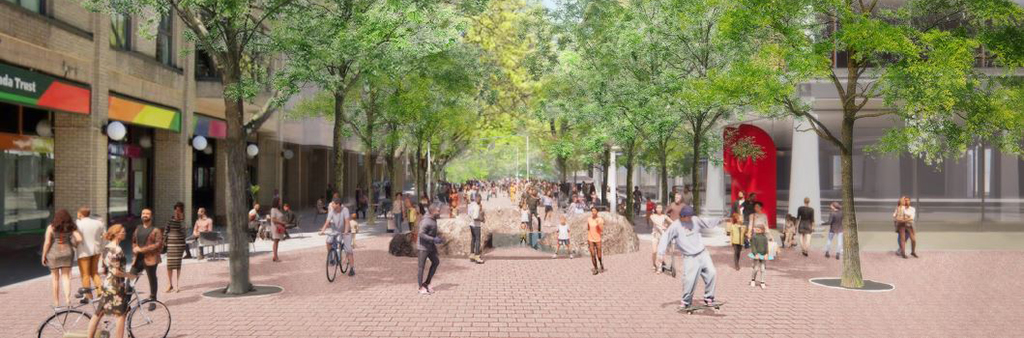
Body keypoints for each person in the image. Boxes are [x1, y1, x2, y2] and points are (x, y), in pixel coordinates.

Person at [657, 206, 726, 309]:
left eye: (691, 215)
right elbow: (665, 237)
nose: (690, 218)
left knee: (712, 273)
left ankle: (709, 298)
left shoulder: (695, 220)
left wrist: (720, 218)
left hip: (703, 253)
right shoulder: (675, 226)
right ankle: (686, 302)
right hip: (690, 257)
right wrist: (661, 253)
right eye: (688, 216)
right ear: (682, 216)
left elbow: (708, 222)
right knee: (689, 280)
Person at [86, 224, 133, 338]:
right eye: (123, 231)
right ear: (117, 234)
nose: (125, 233)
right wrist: (129, 275)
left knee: (99, 312)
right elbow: (116, 272)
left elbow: (104, 269)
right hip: (116, 286)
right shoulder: (116, 249)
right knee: (121, 314)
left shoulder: (106, 248)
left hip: (108, 284)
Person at [42, 209, 82, 307]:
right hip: (68, 252)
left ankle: (56, 303)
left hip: (54, 254)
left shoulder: (51, 227)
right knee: (66, 278)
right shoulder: (71, 227)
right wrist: (74, 244)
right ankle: (68, 300)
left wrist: (44, 255)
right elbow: (79, 238)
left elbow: (47, 242)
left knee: (55, 279)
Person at [130, 208, 163, 304]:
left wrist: (142, 249)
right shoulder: (138, 228)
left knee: (152, 279)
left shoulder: (156, 230)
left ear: (151, 216)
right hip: (137, 259)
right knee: (130, 281)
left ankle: (153, 300)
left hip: (150, 259)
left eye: (147, 214)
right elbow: (134, 241)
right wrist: (134, 248)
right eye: (143, 213)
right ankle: (126, 302)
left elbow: (158, 245)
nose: (145, 215)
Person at [76, 207, 105, 301]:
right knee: (95, 272)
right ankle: (100, 293)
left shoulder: (78, 224)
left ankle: (87, 296)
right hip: (96, 250)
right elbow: (104, 235)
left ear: (80, 213)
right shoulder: (98, 223)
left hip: (83, 251)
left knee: (85, 274)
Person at [417, 204, 444, 294]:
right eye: (438, 211)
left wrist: (437, 238)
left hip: (431, 246)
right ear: (432, 212)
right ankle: (420, 287)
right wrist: (433, 239)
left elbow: (431, 231)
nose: (439, 212)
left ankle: (427, 283)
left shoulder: (433, 219)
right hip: (423, 247)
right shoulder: (426, 221)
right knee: (421, 267)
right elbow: (421, 234)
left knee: (436, 262)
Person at [748, 202, 772, 289]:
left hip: (763, 234)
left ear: (761, 207)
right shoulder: (752, 215)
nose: (756, 208)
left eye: (757, 206)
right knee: (755, 266)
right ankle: (753, 279)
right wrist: (749, 233)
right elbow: (750, 225)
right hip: (755, 236)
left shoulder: (764, 216)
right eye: (755, 206)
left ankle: (762, 281)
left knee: (763, 267)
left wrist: (770, 236)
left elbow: (766, 226)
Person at [164, 202, 187, 292]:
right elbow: (165, 232)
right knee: (169, 265)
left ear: (181, 211)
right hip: (171, 245)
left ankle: (177, 284)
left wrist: (180, 220)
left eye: (179, 210)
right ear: (174, 210)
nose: (177, 212)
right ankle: (170, 284)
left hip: (179, 245)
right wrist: (165, 243)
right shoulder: (170, 221)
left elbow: (184, 233)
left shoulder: (183, 222)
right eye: (176, 210)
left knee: (178, 265)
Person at [649, 204, 670, 273]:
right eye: (658, 207)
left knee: (661, 252)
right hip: (655, 235)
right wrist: (662, 226)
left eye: (660, 207)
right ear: (655, 208)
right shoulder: (652, 216)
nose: (659, 209)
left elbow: (672, 222)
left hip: (662, 236)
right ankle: (654, 264)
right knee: (654, 251)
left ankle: (660, 267)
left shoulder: (664, 216)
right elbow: (655, 222)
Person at [339, 199, 357, 276]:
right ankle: (335, 258)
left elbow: (347, 222)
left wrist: (346, 231)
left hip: (347, 232)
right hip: (339, 231)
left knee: (348, 250)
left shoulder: (345, 211)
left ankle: (352, 268)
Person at [586, 207, 605, 275]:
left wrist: (598, 224)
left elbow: (602, 229)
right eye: (592, 211)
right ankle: (596, 268)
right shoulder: (589, 219)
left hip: (598, 239)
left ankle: (600, 263)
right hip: (590, 238)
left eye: (595, 211)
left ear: (597, 212)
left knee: (599, 255)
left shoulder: (600, 219)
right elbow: (588, 228)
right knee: (592, 254)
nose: (593, 212)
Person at [467, 195, 485, 263]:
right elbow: (475, 217)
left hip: (471, 224)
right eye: (480, 200)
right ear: (478, 199)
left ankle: (472, 254)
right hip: (476, 225)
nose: (480, 201)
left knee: (473, 239)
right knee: (477, 240)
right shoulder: (477, 207)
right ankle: (477, 256)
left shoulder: (470, 205)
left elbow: (469, 214)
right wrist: (482, 219)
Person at [269, 198, 286, 262]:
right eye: (279, 201)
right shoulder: (273, 209)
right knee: (276, 241)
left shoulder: (277, 209)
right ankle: (276, 257)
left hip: (278, 226)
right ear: (276, 202)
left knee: (277, 241)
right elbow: (273, 219)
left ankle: (275, 256)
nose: (280, 203)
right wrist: (282, 222)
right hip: (276, 227)